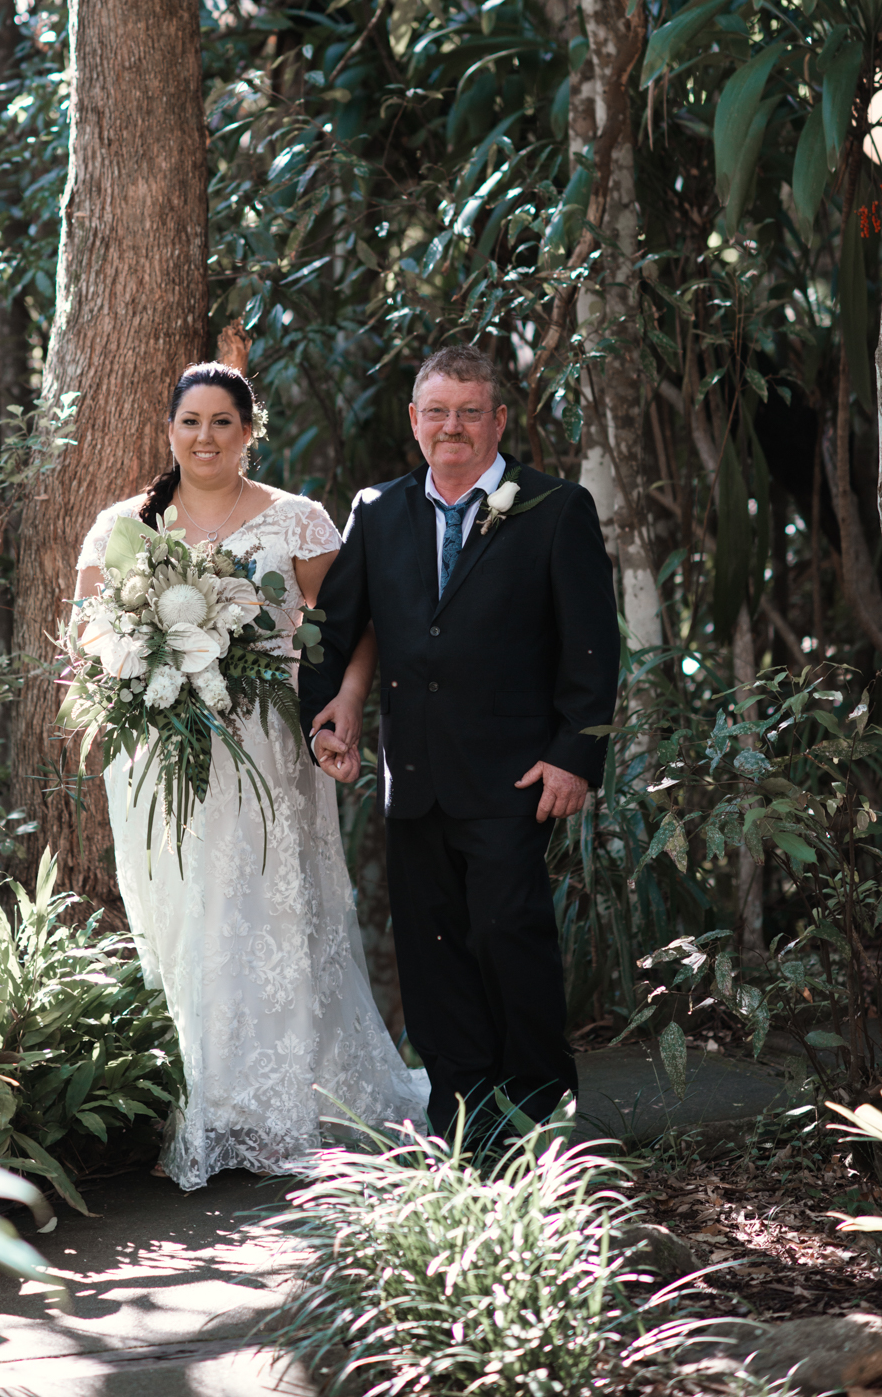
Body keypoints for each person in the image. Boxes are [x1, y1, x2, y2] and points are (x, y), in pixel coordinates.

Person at [72, 361, 428, 1190]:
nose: (205, 437)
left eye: (222, 422)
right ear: (169, 430)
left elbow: (353, 628)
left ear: (248, 431)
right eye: (190, 422)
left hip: (268, 748)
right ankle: (206, 1101)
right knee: (187, 916)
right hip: (161, 752)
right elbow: (86, 635)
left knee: (274, 911)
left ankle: (287, 1104)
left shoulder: (296, 521)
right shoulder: (124, 526)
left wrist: (342, 703)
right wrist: (142, 664)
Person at [299, 345, 619, 1143]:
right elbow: (332, 629)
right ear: (414, 420)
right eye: (437, 412)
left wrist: (575, 755)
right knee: (431, 950)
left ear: (498, 420)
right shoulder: (379, 509)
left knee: (510, 934)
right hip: (412, 774)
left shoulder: (556, 508)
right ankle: (462, 1112)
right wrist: (323, 716)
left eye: (470, 412)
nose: (453, 427)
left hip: (516, 774)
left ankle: (539, 1110)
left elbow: (592, 648)